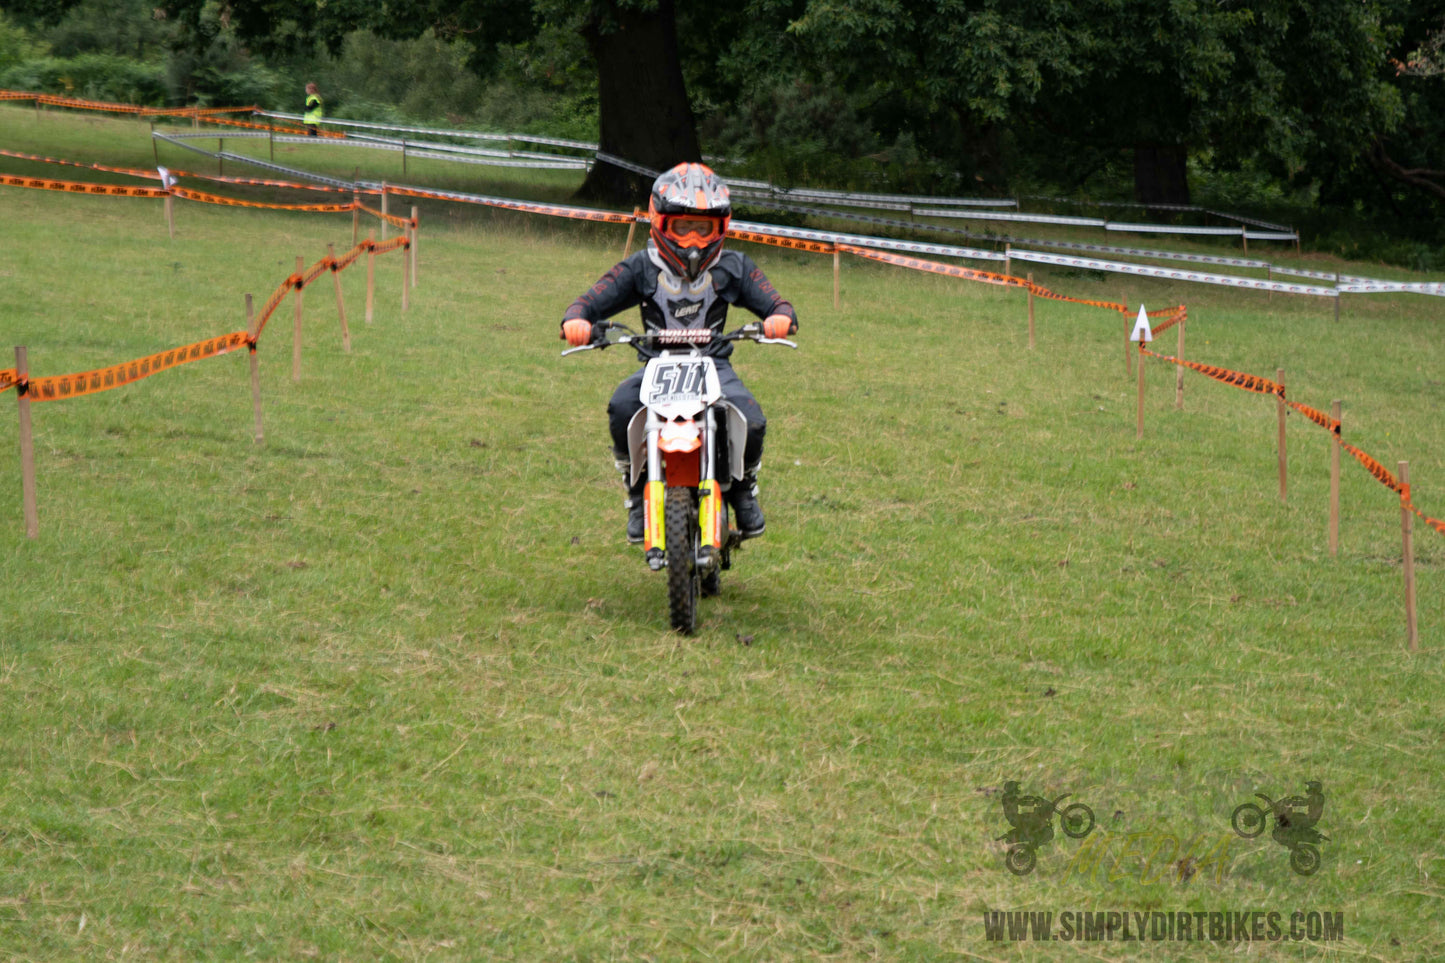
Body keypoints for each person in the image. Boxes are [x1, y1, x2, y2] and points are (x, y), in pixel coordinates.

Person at [560, 162, 798, 544]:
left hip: (713, 363)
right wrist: (577, 320)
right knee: (622, 406)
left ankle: (742, 488)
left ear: (720, 228)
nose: (692, 240)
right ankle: (638, 494)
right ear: (660, 221)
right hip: (657, 365)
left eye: (702, 228)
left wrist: (781, 318)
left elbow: (777, 304)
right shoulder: (642, 266)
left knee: (750, 420)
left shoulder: (733, 267)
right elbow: (589, 301)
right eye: (682, 227)